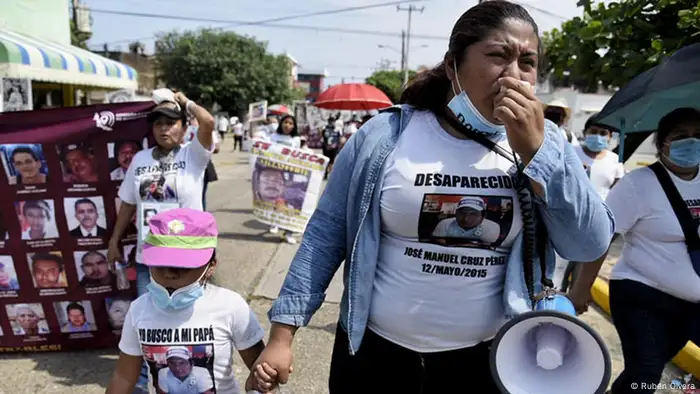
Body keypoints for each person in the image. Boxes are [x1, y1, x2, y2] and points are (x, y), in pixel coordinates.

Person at [247, 2, 614, 392]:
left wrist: (537, 155)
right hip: (376, 354)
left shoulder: (549, 144)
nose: (513, 75)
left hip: (486, 358)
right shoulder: (385, 135)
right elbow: (326, 234)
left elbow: (588, 242)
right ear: (453, 64)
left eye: (527, 62)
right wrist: (282, 336)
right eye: (497, 56)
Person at [569, 107, 700, 394]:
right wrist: (582, 288)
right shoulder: (638, 184)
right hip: (642, 294)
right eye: (681, 136)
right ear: (662, 143)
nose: (692, 142)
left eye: (698, 135)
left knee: (648, 367)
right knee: (646, 372)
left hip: (691, 305)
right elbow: (601, 236)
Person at [107, 89, 214, 394]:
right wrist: (114, 239)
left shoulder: (193, 154)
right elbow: (128, 202)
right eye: (157, 124)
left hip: (191, 255)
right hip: (149, 257)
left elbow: (207, 121)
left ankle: (193, 380)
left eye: (171, 122)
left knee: (191, 319)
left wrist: (186, 102)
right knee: (146, 322)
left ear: (184, 126)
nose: (164, 129)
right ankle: (141, 385)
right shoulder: (140, 159)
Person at [105, 209, 271, 394]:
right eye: (160, 265)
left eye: (182, 266)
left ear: (210, 266)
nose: (169, 273)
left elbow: (262, 374)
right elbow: (124, 377)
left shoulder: (231, 306)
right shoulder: (138, 310)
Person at [560, 114, 625, 291]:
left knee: (583, 268)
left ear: (610, 137)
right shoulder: (571, 153)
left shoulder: (615, 160)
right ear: (585, 132)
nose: (598, 136)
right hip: (568, 220)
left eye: (603, 133)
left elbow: (617, 190)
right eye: (593, 131)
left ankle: (573, 301)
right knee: (560, 269)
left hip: (597, 224)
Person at [267, 115, 302, 244]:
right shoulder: (273, 137)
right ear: (281, 124)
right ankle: (275, 222)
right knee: (276, 198)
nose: (288, 125)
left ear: (294, 126)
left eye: (291, 123)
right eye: (285, 122)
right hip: (275, 172)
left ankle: (289, 232)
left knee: (290, 201)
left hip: (290, 174)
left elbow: (298, 156)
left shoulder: (296, 139)